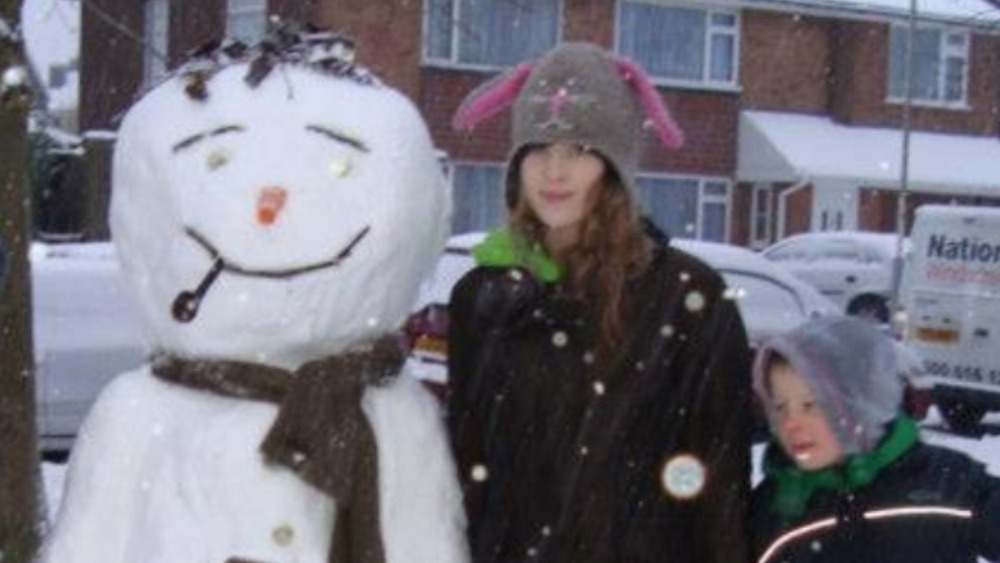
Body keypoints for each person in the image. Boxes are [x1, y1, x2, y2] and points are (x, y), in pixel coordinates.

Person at [446, 42, 752, 563]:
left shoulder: (687, 297)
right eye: (539, 149)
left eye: (578, 150)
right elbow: (467, 464)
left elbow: (718, 478)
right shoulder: (482, 297)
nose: (554, 171)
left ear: (613, 168)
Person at [750, 315, 1000, 563]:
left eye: (810, 405)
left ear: (859, 405)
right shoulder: (773, 508)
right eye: (780, 407)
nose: (790, 423)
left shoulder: (948, 485)